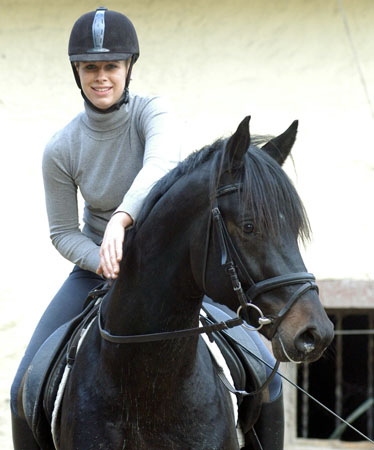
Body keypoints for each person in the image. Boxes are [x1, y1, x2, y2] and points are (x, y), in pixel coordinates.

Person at [10, 7, 181, 449]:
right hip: (96, 269)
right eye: (90, 67)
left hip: (169, 265)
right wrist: (103, 259)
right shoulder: (61, 147)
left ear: (128, 68)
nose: (101, 76)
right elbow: (63, 232)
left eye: (111, 66)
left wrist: (121, 220)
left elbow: (161, 166)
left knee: (261, 369)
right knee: (20, 389)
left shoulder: (153, 112)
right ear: (77, 72)